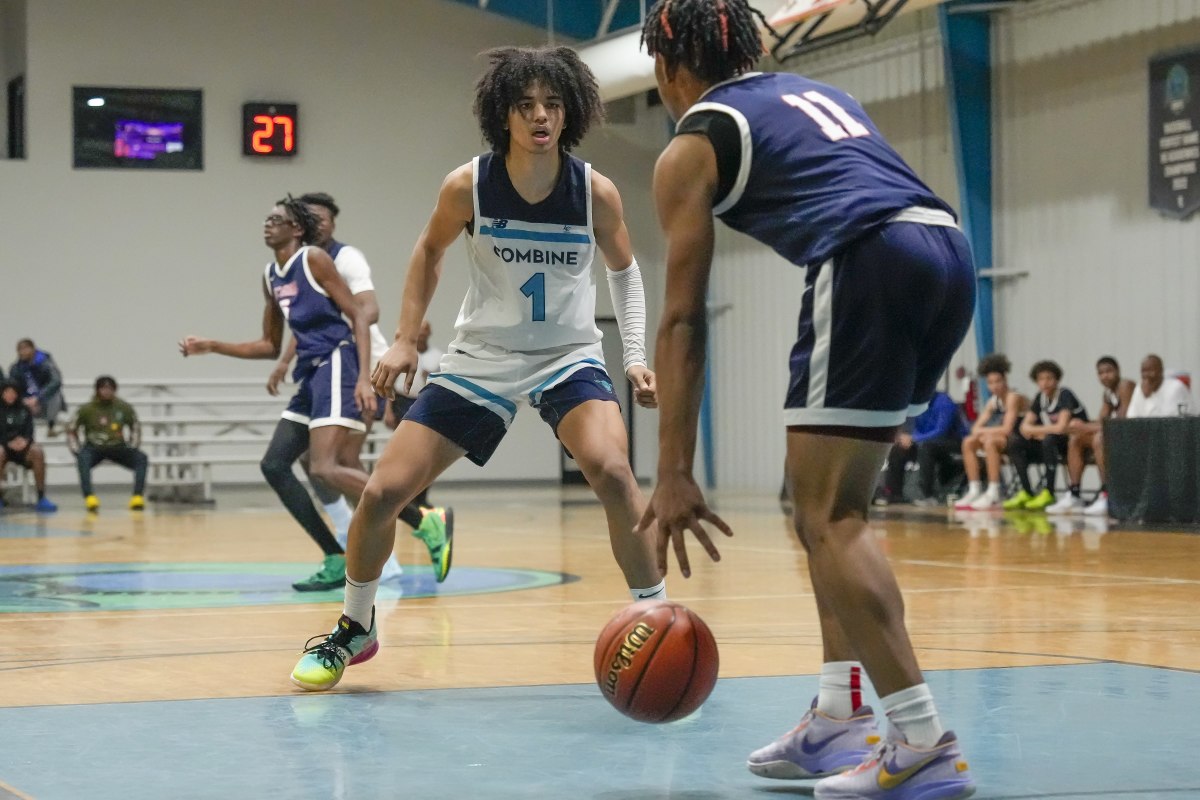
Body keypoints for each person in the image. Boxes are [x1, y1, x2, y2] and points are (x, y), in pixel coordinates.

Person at [638, 3, 975, 798]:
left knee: (831, 518)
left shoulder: (693, 142)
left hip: (870, 255)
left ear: (669, 69)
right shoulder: (817, 93)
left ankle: (920, 743)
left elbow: (683, 318)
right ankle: (838, 717)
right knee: (828, 513)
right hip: (947, 251)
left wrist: (674, 470)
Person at [291, 46, 664, 693]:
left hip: (566, 356)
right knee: (381, 494)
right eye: (526, 106)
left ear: (570, 112)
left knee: (611, 470)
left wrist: (633, 355)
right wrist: (404, 341)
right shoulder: (469, 186)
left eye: (553, 105)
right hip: (482, 358)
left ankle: (655, 618)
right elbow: (428, 252)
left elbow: (625, 273)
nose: (541, 117)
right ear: (503, 114)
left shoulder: (593, 192)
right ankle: (357, 626)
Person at [179, 196, 448, 592]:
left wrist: (362, 379)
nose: (267, 223)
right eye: (266, 218)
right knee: (274, 465)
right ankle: (335, 555)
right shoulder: (271, 275)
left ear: (297, 229)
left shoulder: (315, 260)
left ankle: (424, 520)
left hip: (338, 363)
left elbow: (359, 316)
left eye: (277, 218)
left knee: (326, 466)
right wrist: (212, 345)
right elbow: (269, 344)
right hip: (310, 372)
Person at [264, 192, 406, 579]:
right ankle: (346, 546)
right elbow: (303, 323)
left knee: (336, 465)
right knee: (306, 464)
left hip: (358, 364)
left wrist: (364, 377)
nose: (318, 223)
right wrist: (285, 359)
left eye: (322, 217)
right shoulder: (285, 268)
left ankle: (409, 527)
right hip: (318, 369)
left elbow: (365, 312)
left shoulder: (340, 258)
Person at [1051, 356, 1134, 515]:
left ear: (1118, 371)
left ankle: (1107, 494)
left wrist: (1085, 426)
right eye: (1101, 373)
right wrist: (1081, 426)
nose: (1105, 376)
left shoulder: (1125, 385)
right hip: (1116, 434)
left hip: (1132, 436)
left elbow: (1121, 422)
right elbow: (1101, 420)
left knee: (1099, 438)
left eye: (1109, 371)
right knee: (1076, 438)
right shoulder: (1107, 393)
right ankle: (1074, 494)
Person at [1006, 360, 1088, 512]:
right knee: (1015, 442)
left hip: (1074, 442)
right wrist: (1044, 431)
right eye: (1041, 379)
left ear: (1057, 379)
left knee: (1049, 439)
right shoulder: (1040, 398)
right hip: (1052, 442)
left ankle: (1049, 492)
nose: (1045, 382)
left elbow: (1061, 427)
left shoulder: (1065, 394)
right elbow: (1024, 427)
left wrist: (1038, 431)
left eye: (1049, 378)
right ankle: (1026, 491)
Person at [955, 354, 1028, 511]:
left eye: (997, 381)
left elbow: (1007, 429)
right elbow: (975, 428)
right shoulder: (993, 401)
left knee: (990, 442)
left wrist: (985, 433)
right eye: (990, 383)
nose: (994, 386)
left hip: (1021, 442)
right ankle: (974, 489)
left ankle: (994, 491)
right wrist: (985, 432)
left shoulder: (1013, 397)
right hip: (1003, 440)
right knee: (968, 442)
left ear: (1005, 380)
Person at [384, 319, 445, 510]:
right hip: (402, 402)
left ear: (430, 332)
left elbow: (442, 386)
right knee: (403, 452)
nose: (421, 333)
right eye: (419, 329)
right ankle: (403, 498)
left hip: (426, 403)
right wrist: (388, 410)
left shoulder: (438, 357)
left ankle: (421, 497)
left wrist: (430, 378)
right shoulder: (402, 355)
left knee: (425, 454)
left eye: (425, 329)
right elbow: (392, 384)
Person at [67, 375, 150, 511]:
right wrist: (76, 450)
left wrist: (133, 446)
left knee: (141, 458)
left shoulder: (123, 407)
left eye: (110, 389)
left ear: (114, 390)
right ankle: (89, 497)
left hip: (118, 446)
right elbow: (71, 429)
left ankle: (137, 497)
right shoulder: (86, 409)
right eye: (103, 388)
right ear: (97, 390)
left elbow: (135, 426)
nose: (106, 392)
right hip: (93, 447)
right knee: (83, 459)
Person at [875, 391, 968, 506]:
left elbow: (941, 430)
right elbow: (916, 429)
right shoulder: (918, 406)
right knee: (899, 449)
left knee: (926, 447)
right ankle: (894, 494)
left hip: (954, 442)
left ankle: (927, 495)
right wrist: (908, 439)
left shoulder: (944, 402)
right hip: (927, 443)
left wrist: (914, 438)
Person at [0, 380, 56, 512]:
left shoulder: (24, 409)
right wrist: (8, 443)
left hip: (23, 448)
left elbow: (29, 431)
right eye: (7, 392)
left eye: (13, 392)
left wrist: (25, 441)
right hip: (4, 448)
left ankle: (41, 497)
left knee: (38, 451)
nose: (10, 395)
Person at [10, 339, 66, 435]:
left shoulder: (46, 363)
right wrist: (24, 400)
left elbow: (56, 381)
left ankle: (51, 425)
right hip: (26, 403)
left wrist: (38, 398)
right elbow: (12, 386)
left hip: (45, 401)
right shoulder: (16, 368)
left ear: (33, 349)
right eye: (20, 349)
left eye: (25, 349)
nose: (22, 352)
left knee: (56, 395)